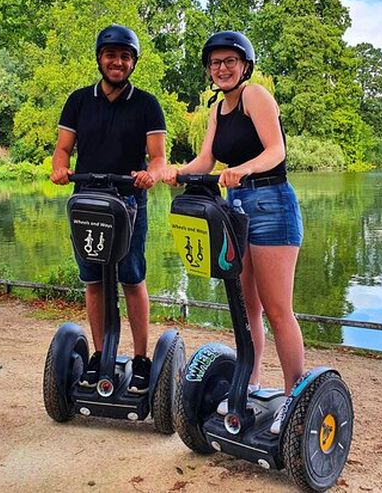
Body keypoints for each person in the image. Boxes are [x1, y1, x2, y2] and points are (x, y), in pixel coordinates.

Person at [163, 31, 304, 434]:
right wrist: (178, 172)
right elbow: (206, 159)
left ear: (244, 65)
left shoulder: (255, 96)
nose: (222, 69)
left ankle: (295, 395)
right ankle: (252, 381)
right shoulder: (216, 110)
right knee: (247, 308)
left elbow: (276, 150)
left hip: (272, 204)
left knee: (278, 309)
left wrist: (244, 168)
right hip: (235, 208)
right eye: (215, 63)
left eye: (229, 62)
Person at [51, 24, 167, 395]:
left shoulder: (147, 104)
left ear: (133, 62)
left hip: (129, 201)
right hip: (87, 201)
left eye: (125, 56)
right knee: (94, 281)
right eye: (111, 55)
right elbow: (64, 149)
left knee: (132, 277)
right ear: (100, 58)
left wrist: (150, 175)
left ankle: (141, 360)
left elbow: (158, 158)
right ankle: (101, 356)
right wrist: (58, 168)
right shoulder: (79, 101)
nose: (118, 62)